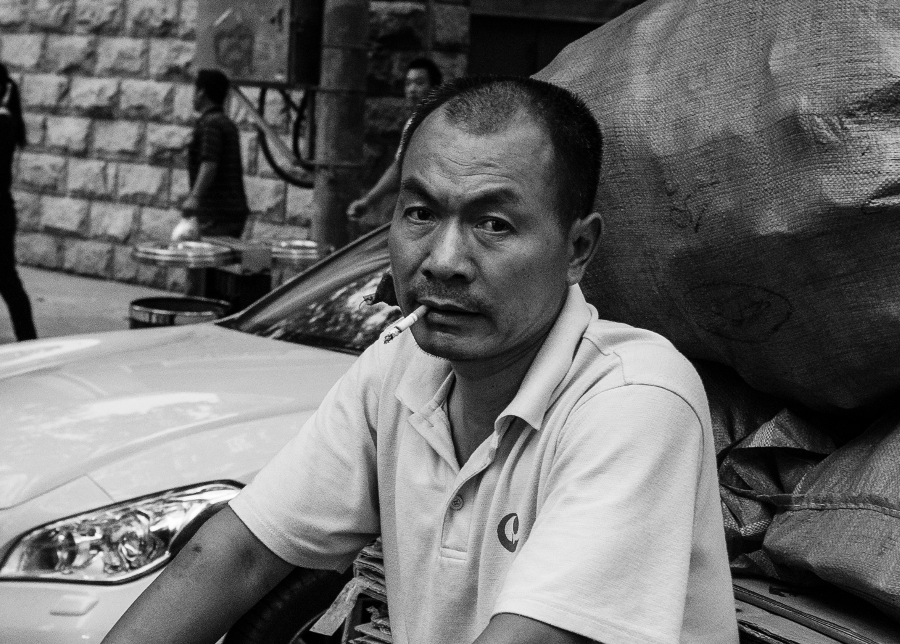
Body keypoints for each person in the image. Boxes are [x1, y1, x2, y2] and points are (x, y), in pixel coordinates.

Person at [102, 77, 738, 644]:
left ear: (578, 249)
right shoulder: (398, 369)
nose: (441, 260)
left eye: (493, 223)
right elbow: (236, 556)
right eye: (420, 213)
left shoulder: (634, 398)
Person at [346, 57, 442, 231]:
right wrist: (368, 201)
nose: (412, 89)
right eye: (408, 84)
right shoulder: (413, 123)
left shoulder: (444, 123)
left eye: (419, 83)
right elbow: (398, 168)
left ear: (434, 89)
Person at [175, 69, 249, 240]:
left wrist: (194, 198)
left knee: (198, 261)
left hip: (218, 215)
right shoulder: (226, 123)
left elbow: (209, 164)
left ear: (201, 93)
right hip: (231, 213)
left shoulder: (210, 124)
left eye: (194, 90)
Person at [0, 63, 37, 342]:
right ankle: (28, 339)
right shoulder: (7, 121)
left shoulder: (3, 123)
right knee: (8, 281)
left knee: (8, 281)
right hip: (2, 211)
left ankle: (28, 340)